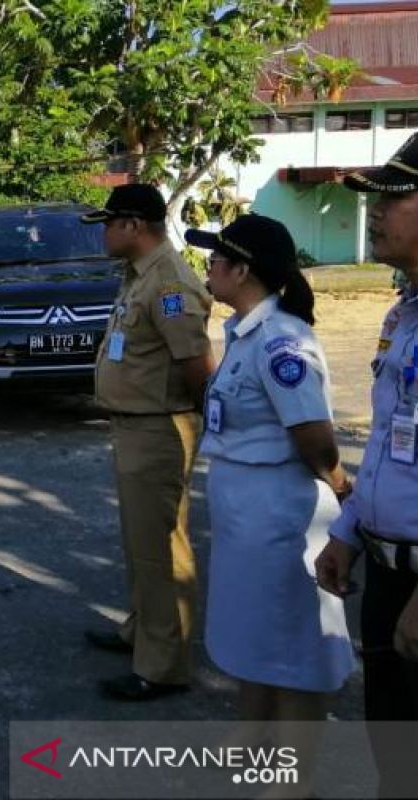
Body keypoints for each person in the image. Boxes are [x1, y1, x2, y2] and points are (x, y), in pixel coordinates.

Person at [188, 215, 354, 794]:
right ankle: (252, 741)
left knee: (293, 647)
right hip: (246, 516)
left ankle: (290, 774)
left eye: (215, 260)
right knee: (254, 631)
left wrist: (338, 481)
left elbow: (313, 435)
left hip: (281, 518)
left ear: (242, 270)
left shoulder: (283, 340)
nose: (207, 268)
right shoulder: (243, 332)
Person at [81, 183, 215, 701]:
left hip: (159, 428)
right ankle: (141, 631)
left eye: (109, 223)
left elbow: (196, 369)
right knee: (141, 544)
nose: (104, 233)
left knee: (160, 548)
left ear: (134, 225)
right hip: (135, 426)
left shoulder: (170, 282)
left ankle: (162, 666)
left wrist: (193, 424)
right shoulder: (141, 275)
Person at [317, 132, 418, 798]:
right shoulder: (402, 313)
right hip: (386, 573)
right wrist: (349, 531)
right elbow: (387, 440)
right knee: (394, 753)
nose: (373, 213)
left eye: (392, 197)